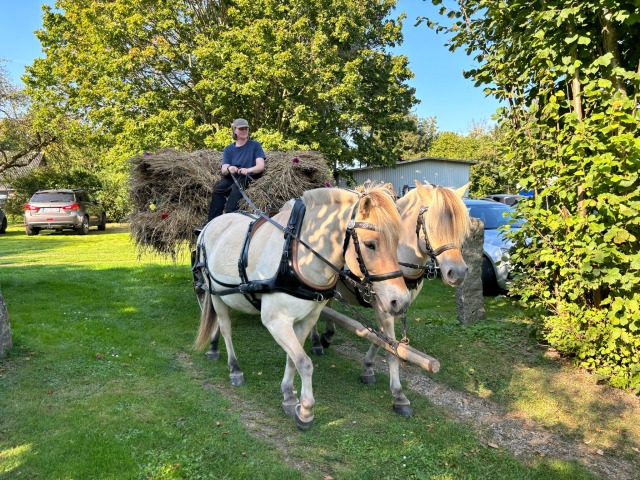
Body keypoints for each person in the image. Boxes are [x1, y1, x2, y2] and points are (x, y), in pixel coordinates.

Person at [207, 118, 266, 221]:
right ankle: (211, 222)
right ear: (234, 130)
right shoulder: (228, 149)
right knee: (218, 189)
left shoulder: (255, 145)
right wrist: (230, 168)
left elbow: (260, 166)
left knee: (236, 187)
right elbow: (224, 170)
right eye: (241, 129)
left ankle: (230, 214)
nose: (244, 131)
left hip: (249, 176)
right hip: (233, 176)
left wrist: (248, 170)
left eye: (246, 129)